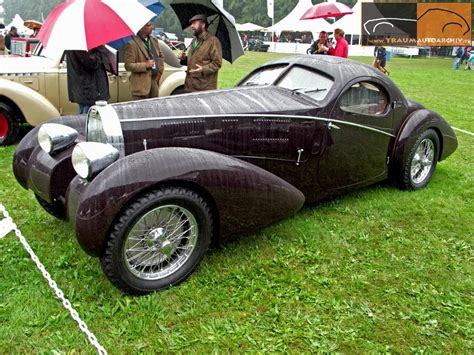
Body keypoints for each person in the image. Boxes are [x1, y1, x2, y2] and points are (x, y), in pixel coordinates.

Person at [178, 14, 222, 92]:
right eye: (191, 24)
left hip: (203, 88)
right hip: (189, 85)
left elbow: (217, 63)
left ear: (203, 25)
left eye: (194, 23)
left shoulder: (213, 41)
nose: (191, 26)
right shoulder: (194, 40)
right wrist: (184, 58)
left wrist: (203, 69)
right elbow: (195, 60)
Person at [124, 22, 164, 100]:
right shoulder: (131, 43)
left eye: (151, 24)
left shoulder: (154, 40)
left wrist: (159, 72)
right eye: (148, 25)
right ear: (141, 28)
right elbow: (128, 65)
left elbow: (161, 56)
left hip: (153, 84)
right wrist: (145, 65)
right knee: (140, 112)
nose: (152, 27)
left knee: (154, 110)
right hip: (140, 88)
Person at [66, 47, 110, 114]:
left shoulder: (73, 44)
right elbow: (91, 63)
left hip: (85, 87)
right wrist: (101, 50)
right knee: (89, 118)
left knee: (85, 115)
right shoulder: (79, 46)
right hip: (89, 89)